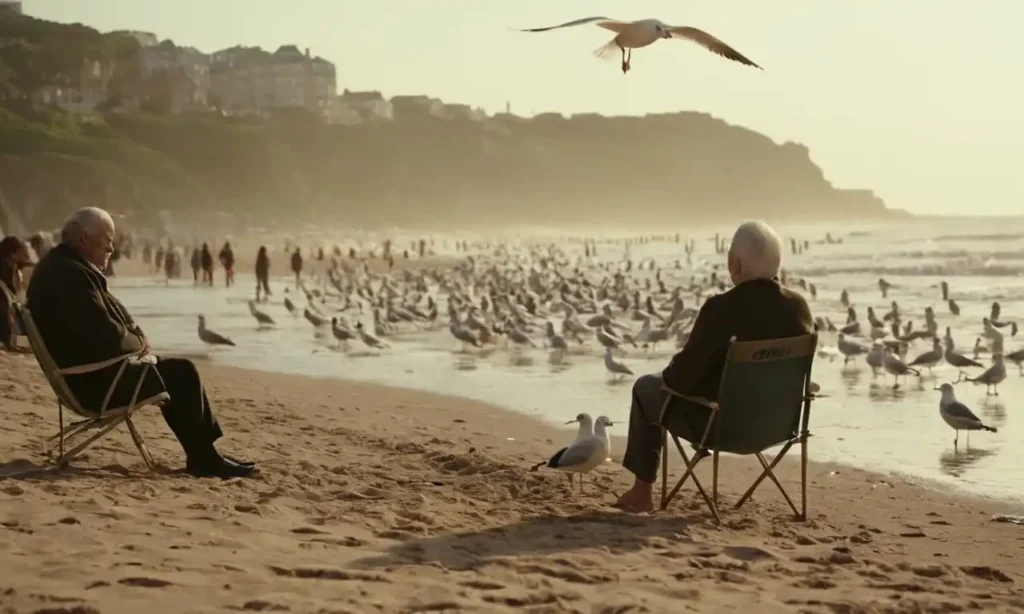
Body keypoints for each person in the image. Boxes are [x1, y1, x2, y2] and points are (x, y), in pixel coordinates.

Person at [26, 207, 256, 479]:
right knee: (182, 373)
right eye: (107, 239)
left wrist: (133, 339)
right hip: (96, 383)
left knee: (176, 371)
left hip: (86, 375)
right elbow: (104, 335)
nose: (112, 247)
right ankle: (204, 458)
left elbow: (94, 326)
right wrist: (138, 344)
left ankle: (205, 454)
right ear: (84, 239)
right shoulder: (69, 274)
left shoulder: (62, 266)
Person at [614, 220, 813, 513]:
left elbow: (680, 381)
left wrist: (672, 369)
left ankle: (641, 491)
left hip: (721, 427)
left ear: (734, 262)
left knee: (646, 387)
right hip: (778, 425)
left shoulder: (720, 309)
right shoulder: (799, 307)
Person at [0, 236, 32, 351]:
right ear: (12, 254)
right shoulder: (4, 276)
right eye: (20, 250)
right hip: (8, 331)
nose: (25, 253)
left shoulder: (17, 271)